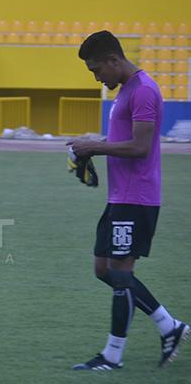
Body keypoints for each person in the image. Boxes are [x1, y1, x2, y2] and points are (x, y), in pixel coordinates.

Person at [70, 30, 188, 371]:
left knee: (121, 274)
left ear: (113, 60)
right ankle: (169, 325)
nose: (96, 76)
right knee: (103, 269)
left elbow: (140, 147)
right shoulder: (127, 91)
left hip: (137, 197)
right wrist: (92, 146)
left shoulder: (145, 91)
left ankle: (112, 356)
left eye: (96, 70)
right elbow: (124, 140)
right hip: (121, 196)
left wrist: (96, 147)